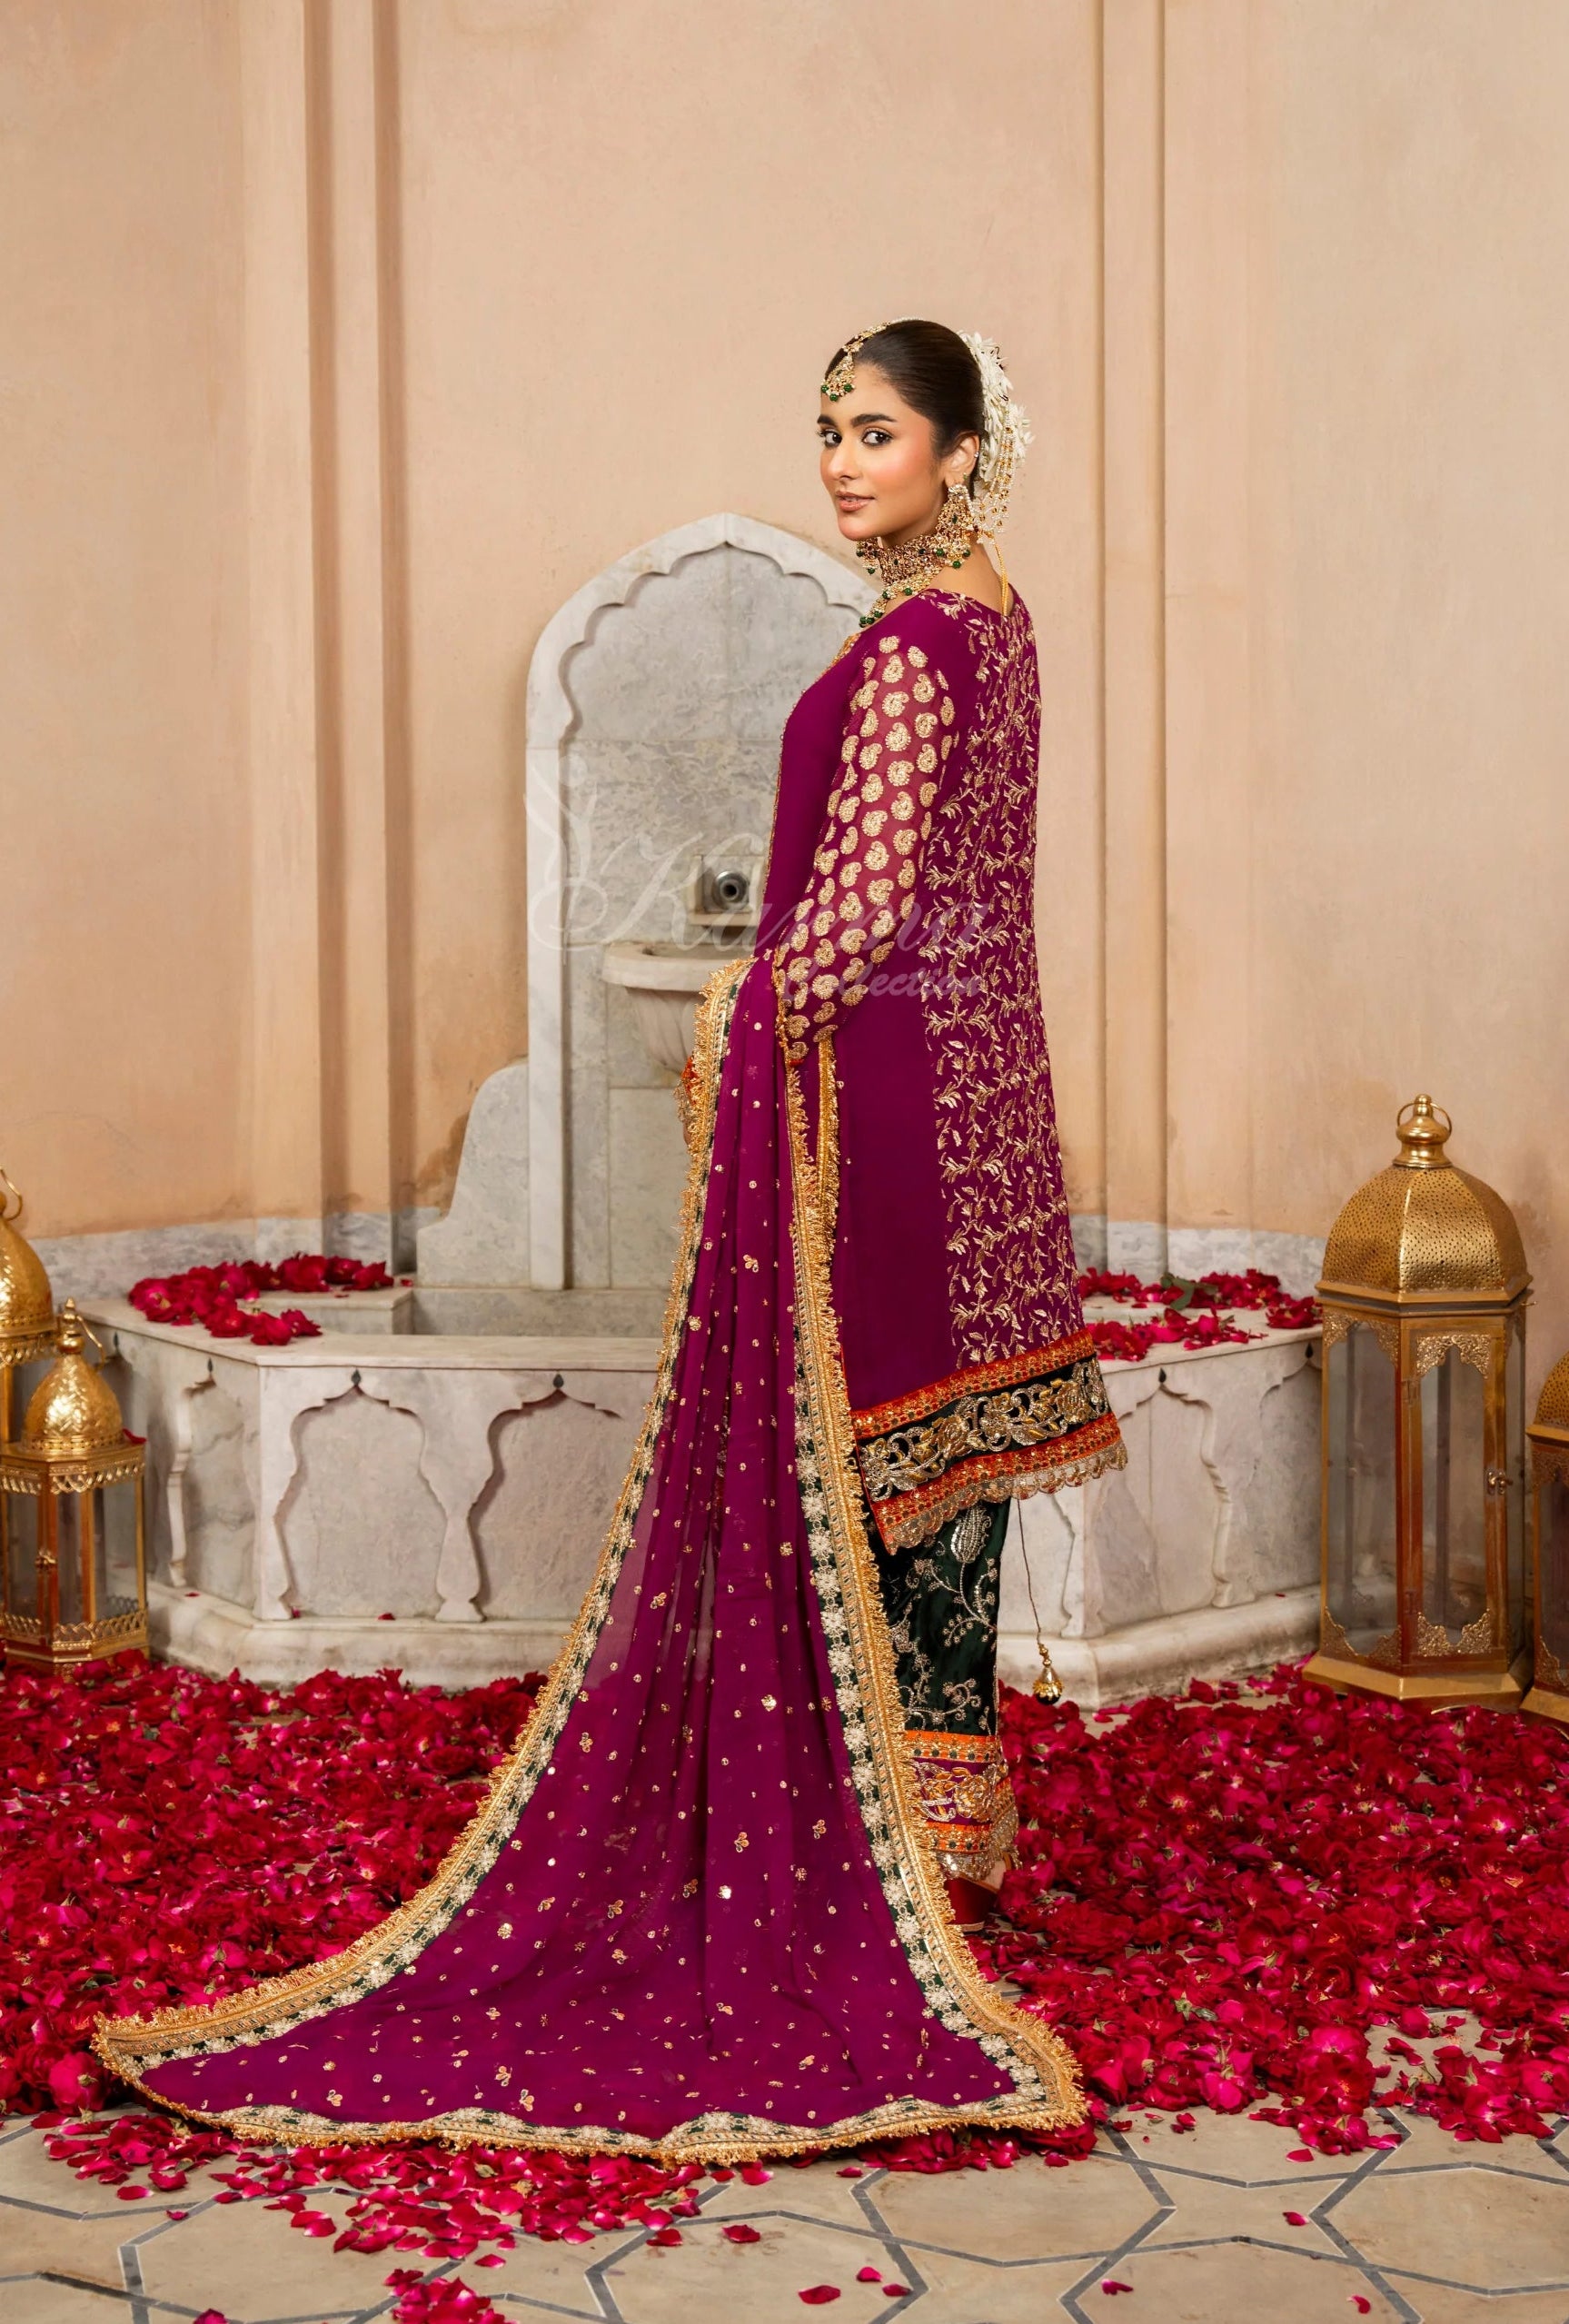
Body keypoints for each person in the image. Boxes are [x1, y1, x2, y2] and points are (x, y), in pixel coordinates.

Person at [96, 320, 1124, 2164]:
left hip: (877, 1112)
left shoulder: (906, 651)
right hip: (983, 1108)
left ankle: (884, 1886)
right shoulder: (1007, 625)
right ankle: (943, 1856)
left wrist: (741, 1008)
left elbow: (860, 913)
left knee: (866, 1458)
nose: (838, 462)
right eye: (824, 431)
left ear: (966, 451)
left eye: (874, 433)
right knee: (935, 1482)